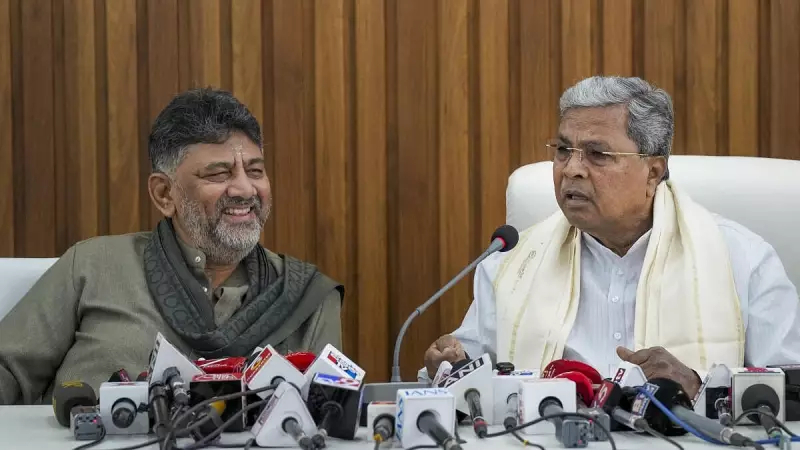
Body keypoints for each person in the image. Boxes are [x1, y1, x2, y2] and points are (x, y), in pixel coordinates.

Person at [421, 76, 800, 397]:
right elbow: (467, 380)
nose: (572, 169)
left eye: (597, 154)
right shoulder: (511, 267)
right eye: (563, 150)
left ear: (653, 172)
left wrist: (699, 388)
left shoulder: (743, 261)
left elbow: (790, 393)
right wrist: (449, 365)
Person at [0, 88, 343, 405]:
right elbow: (6, 374)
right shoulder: (93, 267)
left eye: (255, 171)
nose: (245, 189)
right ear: (164, 194)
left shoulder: (305, 297)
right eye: (218, 174)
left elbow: (328, 416)